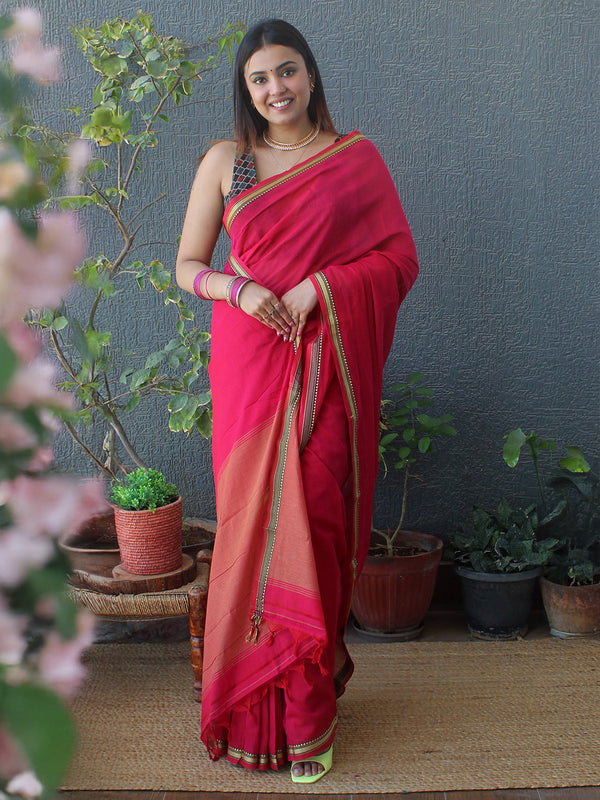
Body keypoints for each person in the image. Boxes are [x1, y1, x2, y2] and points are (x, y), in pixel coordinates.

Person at [176, 19, 418, 784]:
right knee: (251, 534)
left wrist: (323, 287)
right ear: (244, 90)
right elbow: (187, 265)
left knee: (308, 525)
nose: (275, 88)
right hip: (251, 369)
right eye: (259, 79)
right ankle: (251, 712)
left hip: (326, 372)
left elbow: (399, 257)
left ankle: (308, 720)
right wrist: (238, 288)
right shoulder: (230, 163)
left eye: (287, 72)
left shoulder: (355, 160)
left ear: (310, 75)